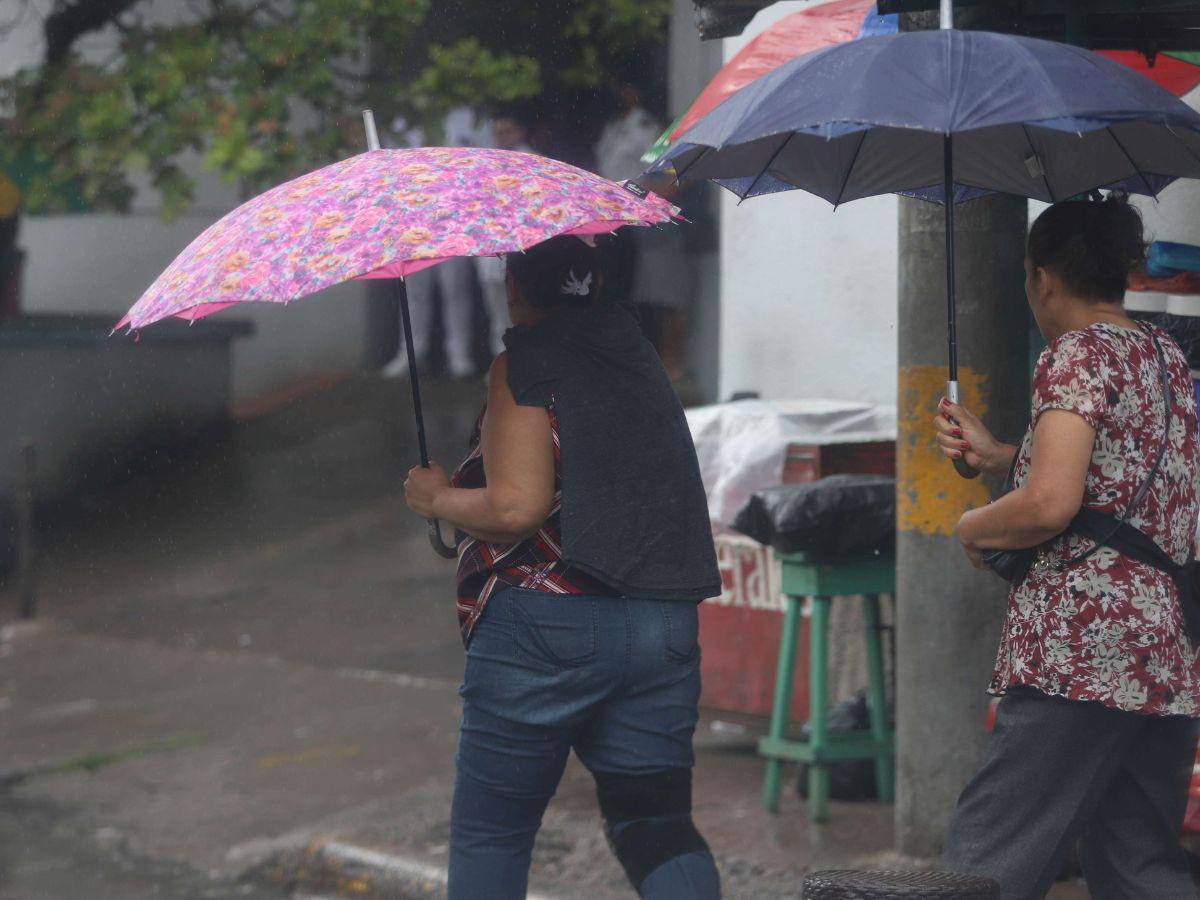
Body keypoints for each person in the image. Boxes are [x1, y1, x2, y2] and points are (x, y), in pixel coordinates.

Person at [403, 235, 723, 900]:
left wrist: (436, 499)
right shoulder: (638, 354)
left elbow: (517, 506)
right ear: (595, 285)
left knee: (493, 833)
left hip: (545, 627)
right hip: (661, 622)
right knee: (656, 825)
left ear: (517, 289)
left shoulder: (525, 361)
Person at [933, 194, 1200, 898]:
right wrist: (999, 456)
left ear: (1042, 278)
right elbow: (1115, 473)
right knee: (1139, 861)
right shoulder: (1164, 355)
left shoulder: (1074, 355)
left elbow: (1053, 502)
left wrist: (972, 526)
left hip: (1079, 650)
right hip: (1160, 645)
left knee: (986, 857)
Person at [382, 107, 488, 379]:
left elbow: (482, 164)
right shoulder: (403, 120)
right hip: (413, 217)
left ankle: (459, 353)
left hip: (453, 217)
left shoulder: (467, 117)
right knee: (414, 290)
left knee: (456, 289)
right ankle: (410, 352)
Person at [475, 106, 534, 357]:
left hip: (523, 254)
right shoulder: (485, 163)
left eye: (507, 131)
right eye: (497, 132)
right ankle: (500, 369)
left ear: (519, 132)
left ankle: (524, 370)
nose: (502, 137)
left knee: (523, 316)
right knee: (498, 318)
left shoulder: (532, 162)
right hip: (491, 255)